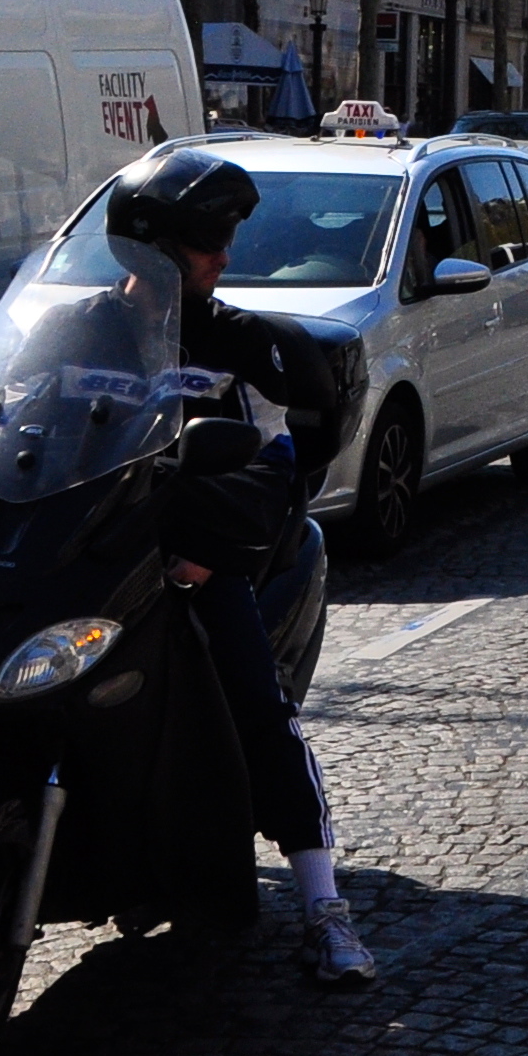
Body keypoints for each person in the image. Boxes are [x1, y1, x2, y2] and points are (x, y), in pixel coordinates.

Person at [106, 150, 377, 988]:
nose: (224, 258)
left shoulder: (238, 343)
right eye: (207, 242)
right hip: (90, 550)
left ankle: (324, 906)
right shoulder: (74, 331)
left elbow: (276, 458)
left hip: (193, 559)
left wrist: (217, 542)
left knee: (257, 703)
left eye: (226, 241)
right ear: (152, 251)